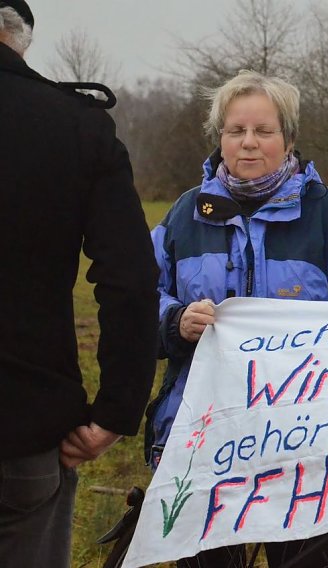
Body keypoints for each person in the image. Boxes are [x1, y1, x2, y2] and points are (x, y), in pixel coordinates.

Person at [146, 69, 328, 567]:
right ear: (220, 139)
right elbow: (137, 304)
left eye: (264, 131)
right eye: (236, 131)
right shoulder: (184, 215)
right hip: (201, 432)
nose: (249, 144)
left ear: (289, 138)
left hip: (301, 436)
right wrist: (175, 322)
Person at [0, 1, 160, 566]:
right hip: (22, 427)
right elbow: (131, 280)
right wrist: (116, 411)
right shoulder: (75, 125)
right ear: (16, 39)